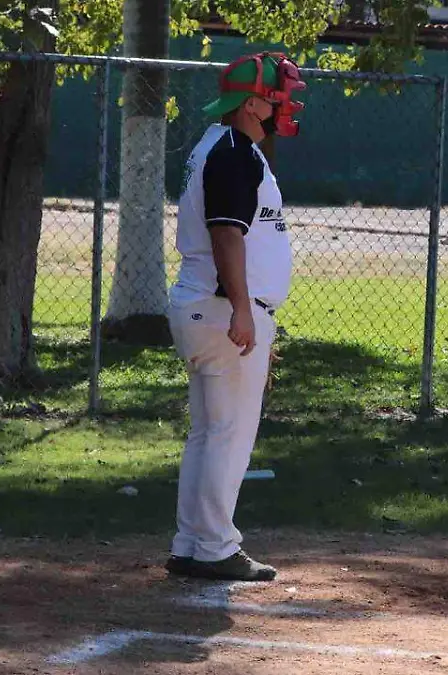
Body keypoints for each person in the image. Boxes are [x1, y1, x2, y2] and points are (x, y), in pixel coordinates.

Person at [162, 52, 306, 581]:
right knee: (228, 434)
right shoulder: (232, 152)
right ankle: (216, 545)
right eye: (274, 98)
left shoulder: (223, 146)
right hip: (224, 310)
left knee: (209, 432)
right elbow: (227, 235)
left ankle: (192, 543)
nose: (282, 107)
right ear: (250, 104)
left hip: (207, 305)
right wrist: (244, 309)